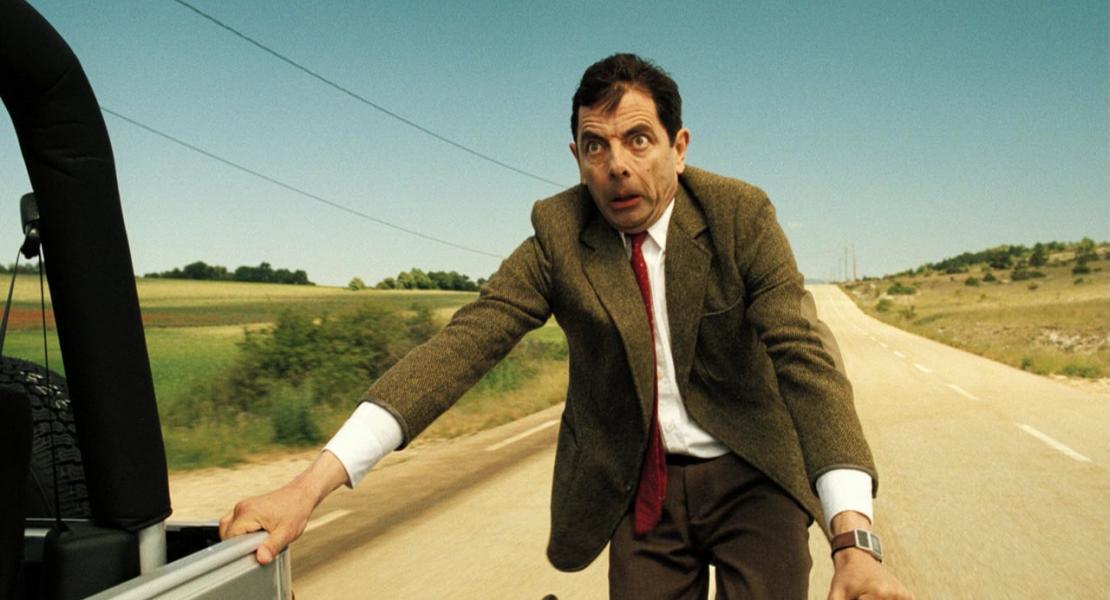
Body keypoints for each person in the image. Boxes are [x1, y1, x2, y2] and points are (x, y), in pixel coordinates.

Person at [221, 53, 912, 599]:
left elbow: (804, 360)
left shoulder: (739, 216)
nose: (617, 166)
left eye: (638, 140)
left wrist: (853, 539)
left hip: (753, 472)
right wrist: (306, 488)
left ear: (678, 146)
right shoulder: (559, 234)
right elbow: (463, 346)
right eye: (594, 146)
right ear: (577, 157)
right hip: (641, 487)